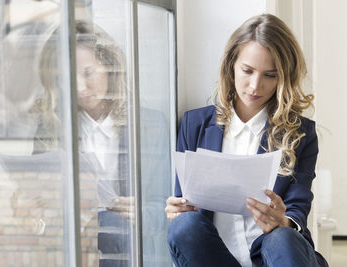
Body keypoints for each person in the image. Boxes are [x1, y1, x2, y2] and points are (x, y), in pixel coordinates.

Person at [165, 14, 328, 267]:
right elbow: (185, 201)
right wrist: (177, 211)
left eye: (270, 75)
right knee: (184, 226)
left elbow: (298, 208)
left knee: (282, 236)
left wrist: (282, 220)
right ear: (231, 65)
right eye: (247, 71)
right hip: (215, 257)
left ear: (283, 77)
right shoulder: (194, 124)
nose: (255, 85)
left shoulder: (301, 133)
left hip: (275, 257)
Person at [34, 20, 170, 267]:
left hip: (128, 247)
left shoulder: (150, 124)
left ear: (108, 66)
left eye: (87, 73)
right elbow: (41, 205)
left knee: (114, 226)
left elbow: (165, 207)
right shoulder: (51, 128)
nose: (79, 87)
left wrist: (139, 212)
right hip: (75, 245)